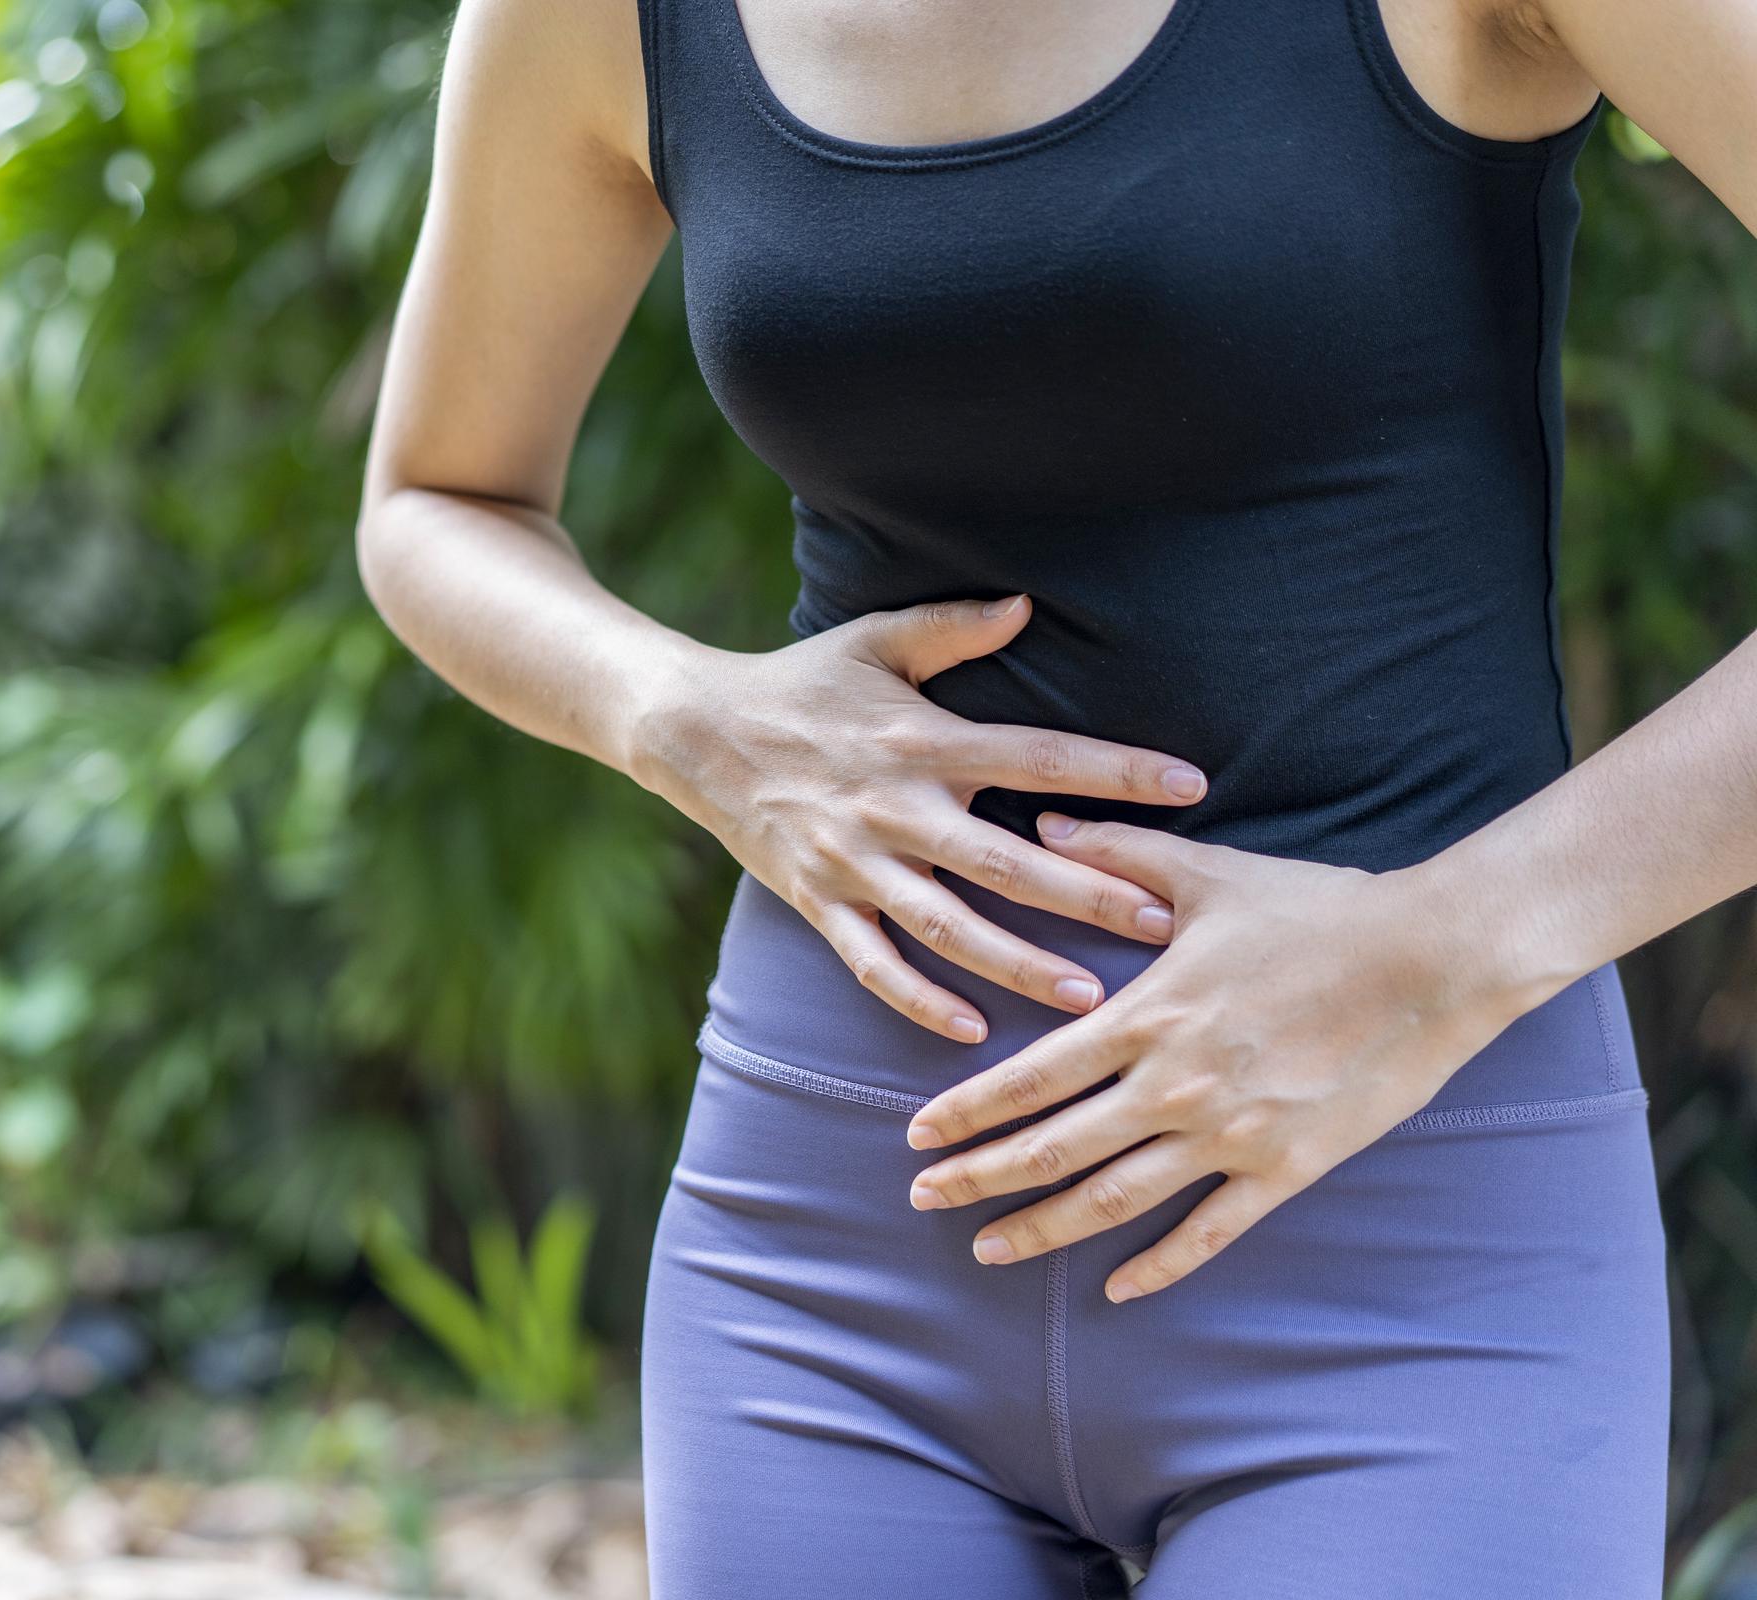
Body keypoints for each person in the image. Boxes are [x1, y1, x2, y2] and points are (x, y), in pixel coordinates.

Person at [352, 0, 1757, 1590]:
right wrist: (681, 711)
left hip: (1404, 1244)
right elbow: (436, 497)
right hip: (829, 1260)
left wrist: (1449, 942)